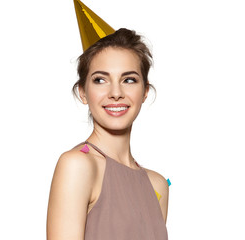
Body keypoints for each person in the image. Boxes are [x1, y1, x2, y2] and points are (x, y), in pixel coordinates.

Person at [46, 2, 169, 240]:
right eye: (100, 80)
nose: (115, 92)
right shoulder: (78, 165)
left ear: (145, 91)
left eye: (129, 80)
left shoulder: (158, 185)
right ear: (82, 92)